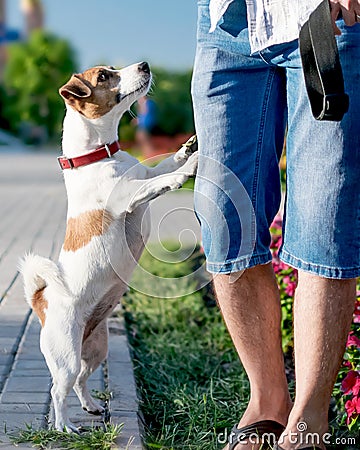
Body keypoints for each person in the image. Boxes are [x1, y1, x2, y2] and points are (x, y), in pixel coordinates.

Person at [191, 1, 360, 449]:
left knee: (323, 220)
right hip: (227, 24)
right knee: (224, 219)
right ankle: (267, 402)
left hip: (327, 15)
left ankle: (309, 419)